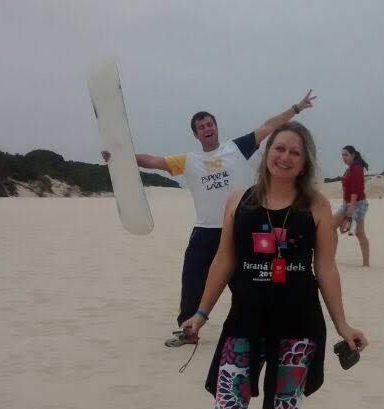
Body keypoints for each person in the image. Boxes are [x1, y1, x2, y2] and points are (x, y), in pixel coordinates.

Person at [182, 122, 368, 409]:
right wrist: (201, 313)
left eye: (295, 152)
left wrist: (342, 324)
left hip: (298, 326)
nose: (285, 157)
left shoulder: (316, 206)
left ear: (305, 162)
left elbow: (325, 267)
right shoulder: (239, 201)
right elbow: (224, 259)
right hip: (244, 322)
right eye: (279, 148)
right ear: (267, 152)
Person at [102, 91, 317, 347]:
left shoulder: (236, 148)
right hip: (206, 231)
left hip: (239, 229)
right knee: (192, 279)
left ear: (216, 126)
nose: (207, 129)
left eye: (209, 124)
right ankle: (188, 330)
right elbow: (153, 161)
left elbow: (269, 126)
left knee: (250, 279)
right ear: (196, 134)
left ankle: (264, 325)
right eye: (201, 127)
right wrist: (120, 158)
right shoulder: (188, 161)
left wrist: (296, 108)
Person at [332, 145, 370, 266]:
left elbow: (356, 189)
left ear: (353, 155)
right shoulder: (350, 169)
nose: (343, 157)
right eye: (342, 155)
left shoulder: (357, 168)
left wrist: (351, 207)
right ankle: (330, 258)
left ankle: (366, 263)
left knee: (359, 233)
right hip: (348, 203)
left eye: (346, 155)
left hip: (356, 204)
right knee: (331, 227)